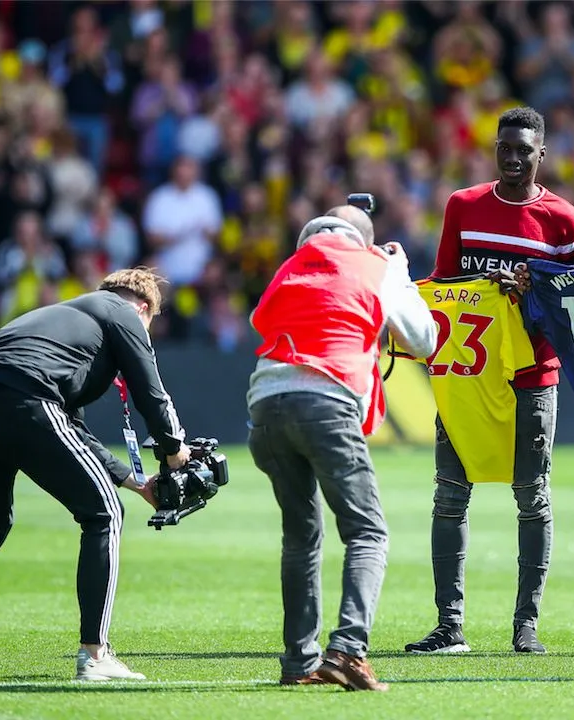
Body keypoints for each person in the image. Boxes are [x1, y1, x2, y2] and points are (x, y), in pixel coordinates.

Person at [0, 268, 191, 682]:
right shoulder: (122, 312)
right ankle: (95, 656)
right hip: (25, 394)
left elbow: (73, 428)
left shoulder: (69, 320)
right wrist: (174, 449)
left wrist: (136, 482)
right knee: (104, 515)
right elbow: (151, 391)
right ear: (144, 308)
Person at [405, 107, 574, 655]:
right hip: (469, 374)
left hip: (533, 375)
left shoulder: (563, 220)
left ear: (541, 155)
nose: (512, 157)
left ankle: (526, 625)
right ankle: (448, 625)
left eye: (523, 150)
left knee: (532, 498)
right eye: (504, 148)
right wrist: (484, 282)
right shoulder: (463, 205)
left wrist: (531, 291)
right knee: (449, 498)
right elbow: (441, 283)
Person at [247, 205, 436, 691]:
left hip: (265, 405)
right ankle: (349, 652)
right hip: (327, 399)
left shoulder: (290, 267)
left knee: (301, 537)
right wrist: (401, 275)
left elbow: (260, 319)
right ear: (366, 241)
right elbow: (424, 339)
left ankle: (299, 663)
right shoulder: (376, 265)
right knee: (367, 532)